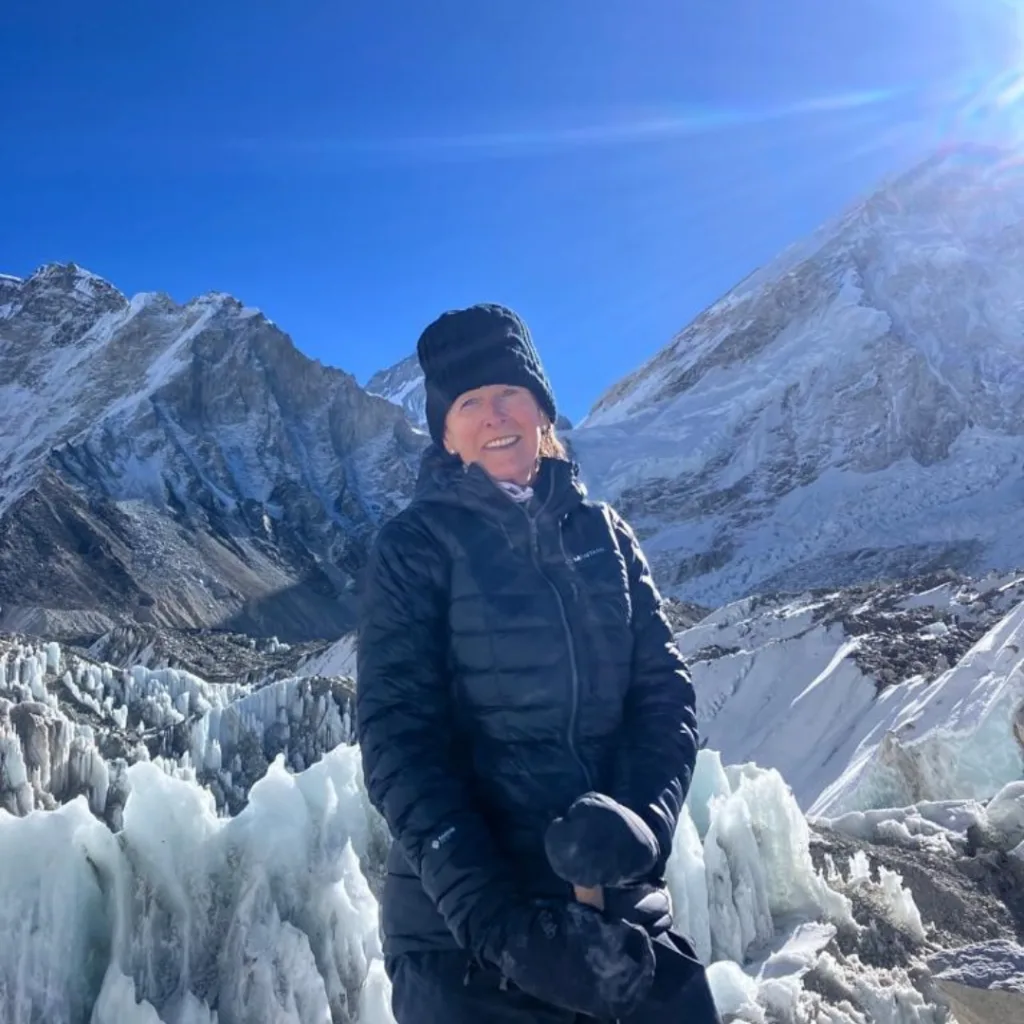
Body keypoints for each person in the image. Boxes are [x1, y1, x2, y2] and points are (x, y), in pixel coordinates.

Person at [356, 303, 719, 1022]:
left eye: (508, 393)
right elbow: (401, 741)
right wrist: (505, 930)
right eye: (468, 402)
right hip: (466, 938)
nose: (494, 415)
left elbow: (664, 698)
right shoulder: (413, 546)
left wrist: (640, 825)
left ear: (542, 409)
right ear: (447, 431)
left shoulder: (606, 536)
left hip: (616, 910)